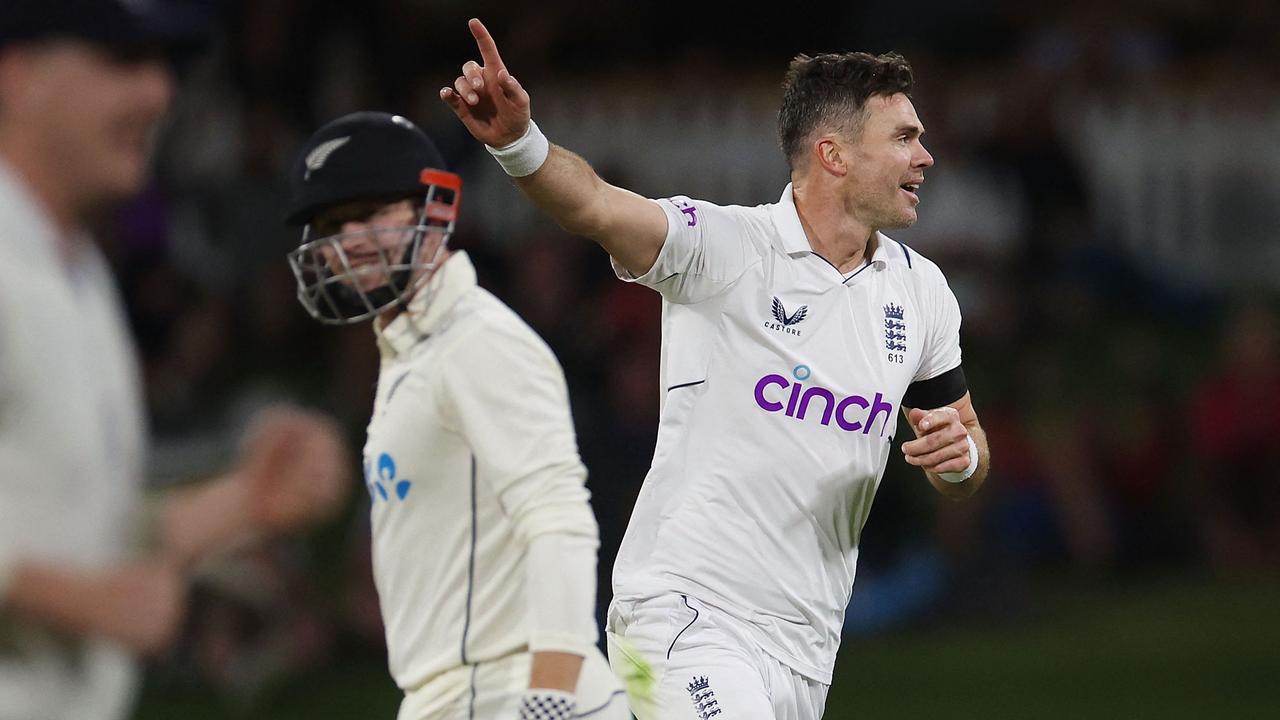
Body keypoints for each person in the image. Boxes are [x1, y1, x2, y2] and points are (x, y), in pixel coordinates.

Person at [442, 18, 992, 719]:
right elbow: (595, 204)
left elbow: (968, 451)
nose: (926, 157)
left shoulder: (921, 294)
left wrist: (959, 460)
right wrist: (521, 143)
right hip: (681, 617)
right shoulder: (726, 249)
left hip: (806, 649)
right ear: (834, 154)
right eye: (904, 138)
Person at [0, 3, 351, 719]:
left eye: (163, 67)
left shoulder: (76, 272)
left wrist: (245, 501)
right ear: (18, 75)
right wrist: (80, 603)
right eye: (122, 62)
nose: (159, 94)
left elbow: (76, 527)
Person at [282, 110, 628, 720]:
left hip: (510, 692)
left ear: (433, 208)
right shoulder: (413, 351)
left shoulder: (475, 341)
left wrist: (553, 689)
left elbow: (558, 517)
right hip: (463, 694)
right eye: (333, 224)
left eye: (372, 213)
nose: (352, 239)